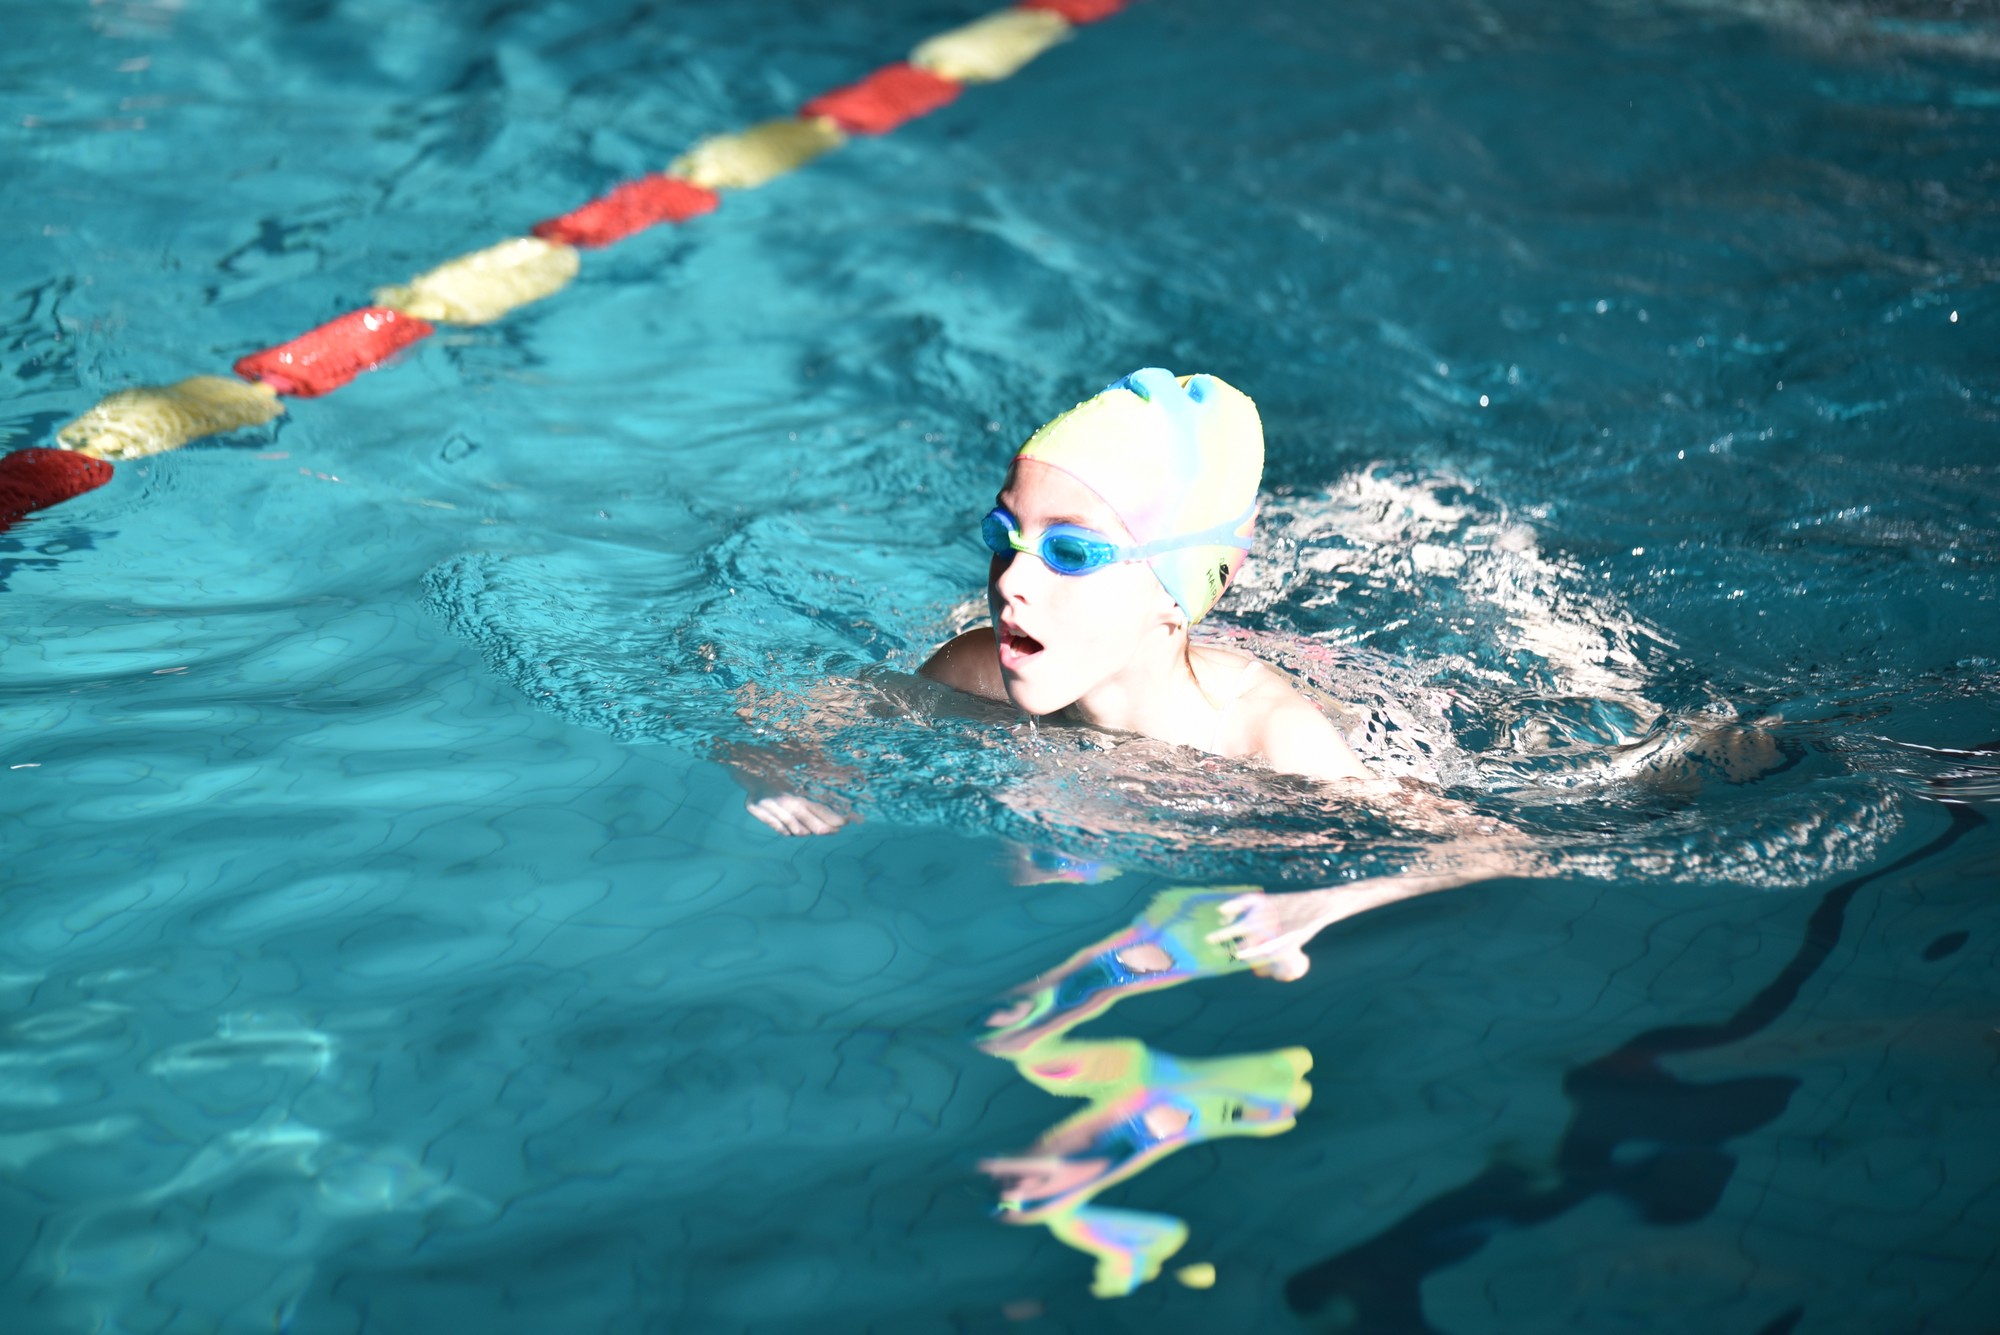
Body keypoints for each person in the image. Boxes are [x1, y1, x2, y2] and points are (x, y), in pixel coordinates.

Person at [736, 368, 1530, 971]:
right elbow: (784, 712)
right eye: (1005, 535)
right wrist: (792, 766)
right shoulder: (977, 668)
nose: (1011, 580)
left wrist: (1320, 904)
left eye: (1070, 551)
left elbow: (1487, 845)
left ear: (1174, 594)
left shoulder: (1266, 740)